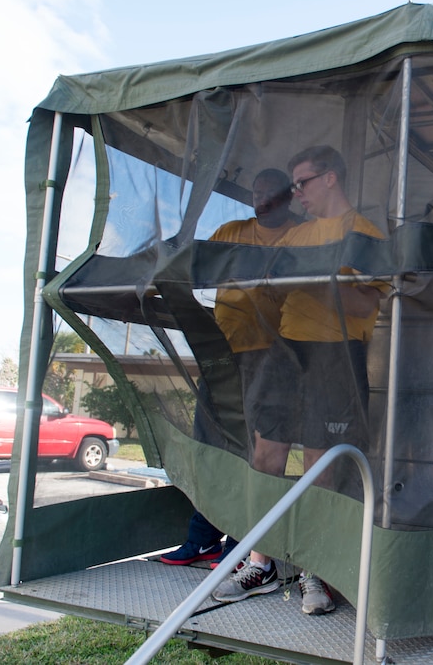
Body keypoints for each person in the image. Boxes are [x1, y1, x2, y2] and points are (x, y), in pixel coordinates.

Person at [212, 145, 387, 616]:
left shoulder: (364, 232)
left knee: (319, 466)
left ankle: (316, 569)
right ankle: (260, 563)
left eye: (302, 184)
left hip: (337, 355)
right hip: (285, 350)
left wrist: (316, 281)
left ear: (330, 178)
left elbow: (367, 305)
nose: (296, 195)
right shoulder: (298, 234)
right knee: (265, 455)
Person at [159, 168, 298, 570]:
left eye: (270, 193)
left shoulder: (297, 239)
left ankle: (242, 543)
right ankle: (203, 539)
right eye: (256, 192)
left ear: (287, 197)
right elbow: (194, 264)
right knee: (210, 447)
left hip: (271, 358)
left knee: (252, 454)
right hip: (220, 354)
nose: (261, 199)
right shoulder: (232, 231)